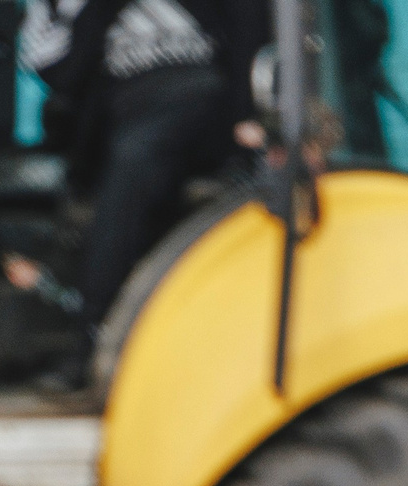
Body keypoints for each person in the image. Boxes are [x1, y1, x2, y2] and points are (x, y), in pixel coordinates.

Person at [18, 0, 271, 336]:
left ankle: (96, 325)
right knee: (132, 165)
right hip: (125, 111)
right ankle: (98, 322)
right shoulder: (66, 10)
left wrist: (244, 112)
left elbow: (248, 27)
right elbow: (58, 72)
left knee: (139, 160)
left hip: (202, 97)